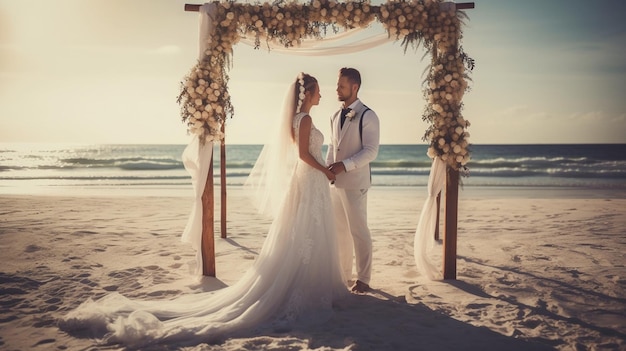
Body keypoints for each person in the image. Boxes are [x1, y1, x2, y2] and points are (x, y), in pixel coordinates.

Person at [59, 73, 348, 348]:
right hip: (311, 179)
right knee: (308, 233)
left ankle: (311, 286)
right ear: (308, 93)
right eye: (318, 89)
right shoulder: (305, 118)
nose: (322, 93)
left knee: (306, 234)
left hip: (309, 181)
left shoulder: (297, 119)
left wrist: (323, 171)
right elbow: (303, 155)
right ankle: (306, 291)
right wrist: (326, 171)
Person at [326, 67, 380, 294]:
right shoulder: (335, 115)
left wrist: (344, 166)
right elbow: (332, 145)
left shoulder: (368, 116)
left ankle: (364, 279)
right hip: (335, 183)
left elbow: (371, 152)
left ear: (354, 87)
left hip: (356, 182)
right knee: (340, 231)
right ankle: (345, 276)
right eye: (337, 84)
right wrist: (327, 168)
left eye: (341, 85)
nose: (336, 89)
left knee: (359, 230)